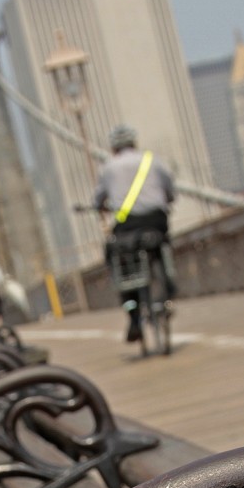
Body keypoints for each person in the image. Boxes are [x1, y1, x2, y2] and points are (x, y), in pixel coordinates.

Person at [93, 125, 176, 343]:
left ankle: (133, 314)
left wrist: (100, 207)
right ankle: (168, 288)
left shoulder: (108, 168)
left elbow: (98, 199)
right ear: (134, 143)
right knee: (162, 245)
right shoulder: (152, 160)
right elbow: (170, 189)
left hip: (127, 226)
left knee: (119, 264)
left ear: (113, 148)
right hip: (156, 221)